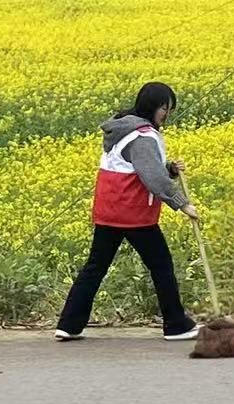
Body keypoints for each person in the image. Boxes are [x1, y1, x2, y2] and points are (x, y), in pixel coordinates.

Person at [56, 81, 201, 342]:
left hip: (109, 210)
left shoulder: (123, 129)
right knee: (161, 266)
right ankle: (176, 325)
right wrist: (182, 203)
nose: (167, 114)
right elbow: (152, 178)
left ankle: (69, 324)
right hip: (133, 215)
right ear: (153, 107)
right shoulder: (143, 136)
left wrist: (168, 167)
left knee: (95, 267)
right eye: (164, 108)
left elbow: (135, 167)